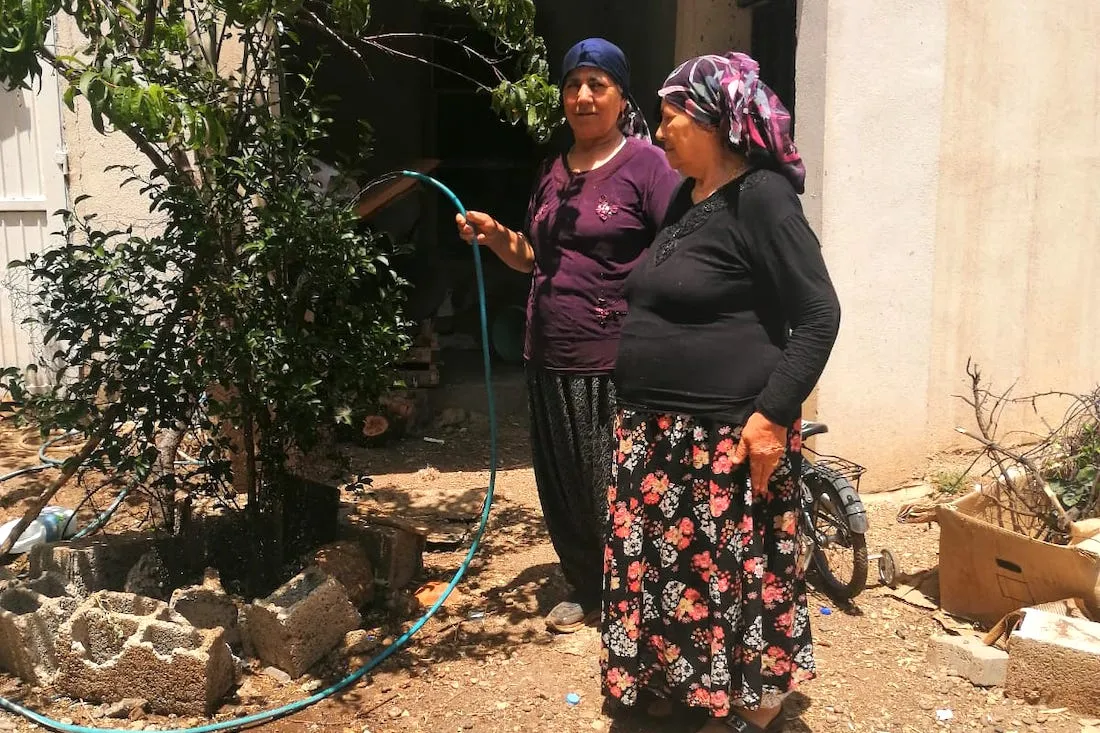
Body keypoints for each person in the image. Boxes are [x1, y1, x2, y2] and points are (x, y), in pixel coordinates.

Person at [600, 52, 842, 733]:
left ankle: (754, 707)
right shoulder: (686, 197)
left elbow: (820, 313)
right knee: (678, 580)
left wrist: (771, 414)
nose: (660, 130)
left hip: (726, 438)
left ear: (713, 120)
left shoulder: (762, 197)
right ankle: (683, 685)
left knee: (738, 578)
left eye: (671, 115)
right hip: (659, 437)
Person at [455, 39, 681, 633]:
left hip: (614, 357)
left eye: (597, 84)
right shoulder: (553, 172)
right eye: (573, 85)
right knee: (562, 482)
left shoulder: (647, 165)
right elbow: (534, 257)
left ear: (620, 95)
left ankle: (633, 591)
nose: (583, 96)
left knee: (614, 480)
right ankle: (587, 586)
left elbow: (679, 247)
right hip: (547, 349)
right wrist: (497, 236)